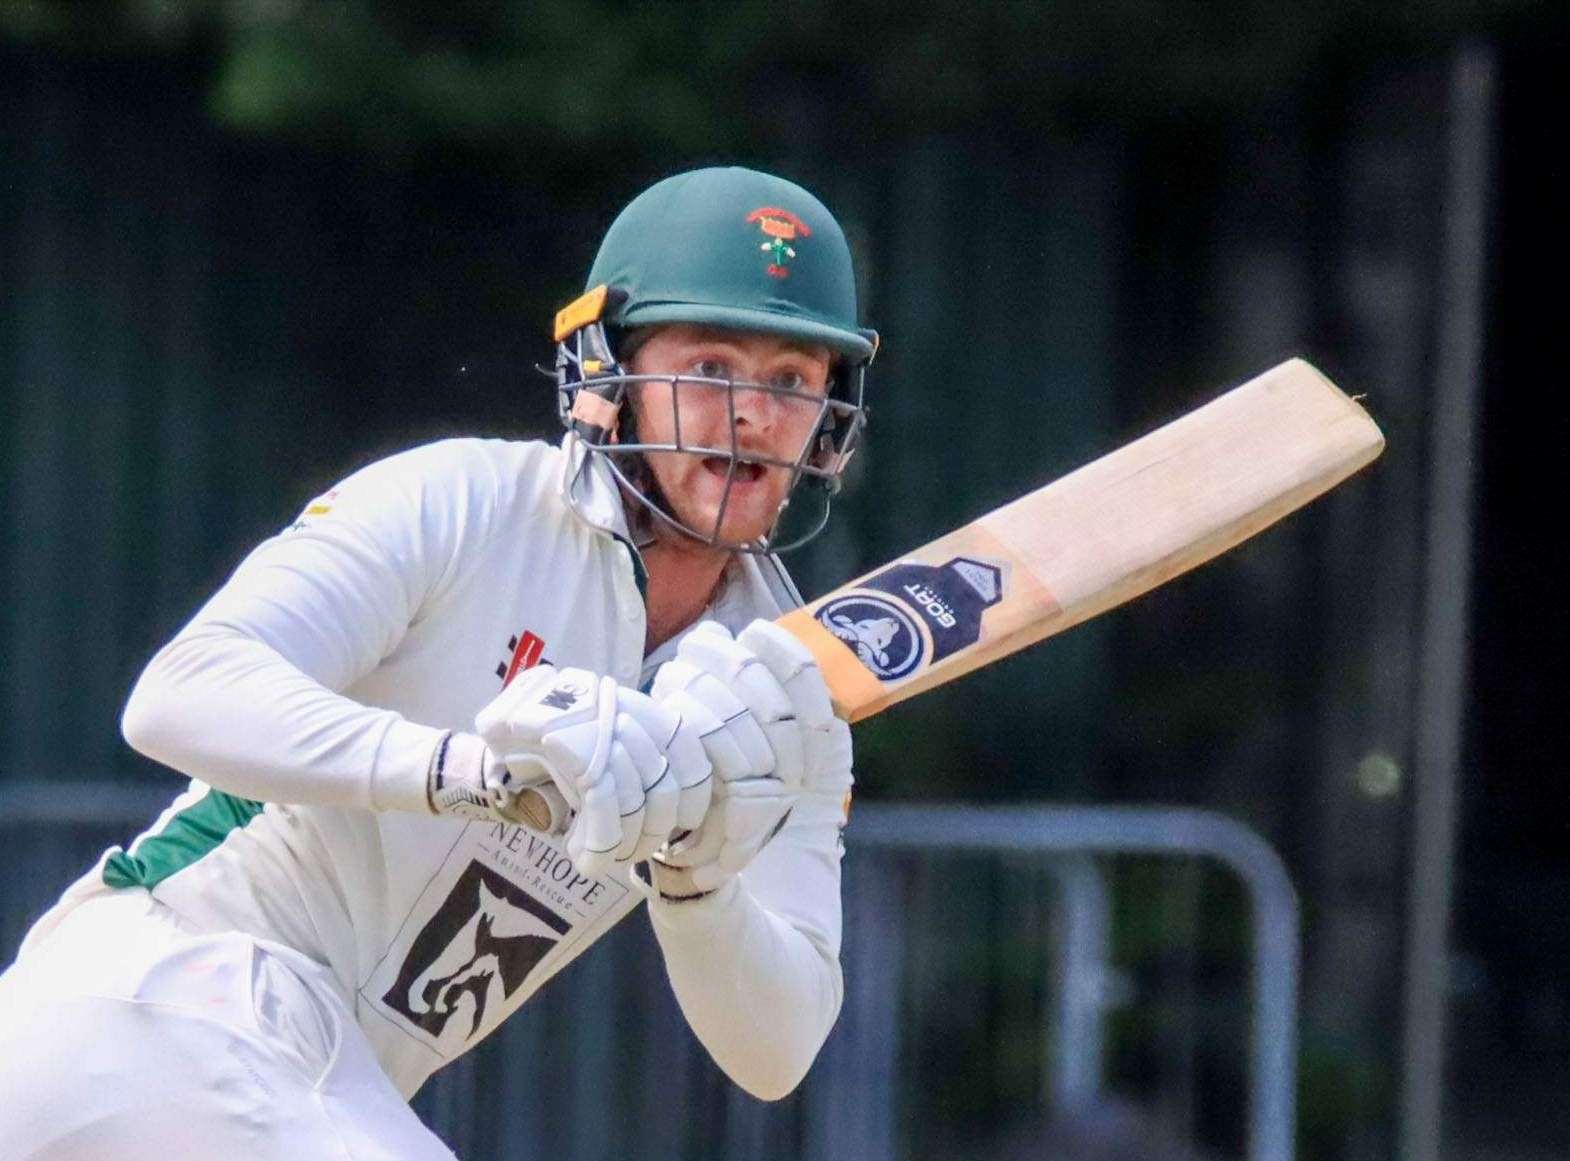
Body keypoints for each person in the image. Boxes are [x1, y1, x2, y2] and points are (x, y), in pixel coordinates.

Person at [0, 166, 875, 1159]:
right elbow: (179, 697)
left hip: (324, 1080)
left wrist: (698, 885)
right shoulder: (466, 502)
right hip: (164, 995)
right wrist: (480, 778)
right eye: (710, 367)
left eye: (792, 381)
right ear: (605, 377)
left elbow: (779, 1046)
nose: (752, 414)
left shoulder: (781, 687)